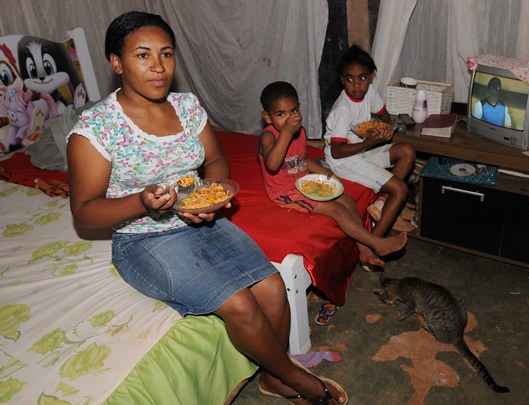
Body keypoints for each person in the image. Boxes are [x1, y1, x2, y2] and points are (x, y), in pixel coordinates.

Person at [67, 11, 348, 404]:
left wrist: (216, 191)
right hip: (144, 240)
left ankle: (271, 378)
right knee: (240, 304)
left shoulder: (186, 106)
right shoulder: (95, 129)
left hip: (201, 222)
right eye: (143, 55)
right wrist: (143, 202)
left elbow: (215, 162)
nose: (158, 66)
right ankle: (295, 379)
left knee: (271, 287)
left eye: (166, 54)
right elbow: (84, 212)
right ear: (116, 63)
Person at [258, 81, 407, 323]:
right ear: (267, 117)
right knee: (335, 210)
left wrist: (329, 175)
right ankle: (377, 243)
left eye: (293, 111)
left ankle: (363, 249)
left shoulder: (300, 131)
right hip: (285, 192)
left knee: (346, 198)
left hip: (301, 180)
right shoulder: (269, 136)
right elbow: (273, 164)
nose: (289, 118)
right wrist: (285, 132)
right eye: (280, 114)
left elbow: (303, 160)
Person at [323, 45, 416, 245]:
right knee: (400, 189)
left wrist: (384, 126)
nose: (357, 85)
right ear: (342, 80)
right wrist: (370, 142)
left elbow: (383, 114)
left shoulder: (370, 92)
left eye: (362, 78)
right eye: (350, 79)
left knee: (407, 151)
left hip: (362, 148)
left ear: (371, 77)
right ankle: (374, 245)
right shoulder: (342, 110)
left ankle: (382, 203)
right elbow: (337, 151)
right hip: (344, 160)